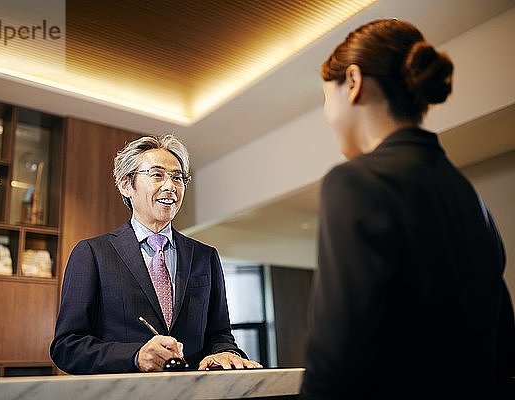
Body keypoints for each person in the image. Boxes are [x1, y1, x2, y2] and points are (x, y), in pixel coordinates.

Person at [300, 19, 515, 399]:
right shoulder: (469, 197)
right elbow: (503, 347)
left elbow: (337, 358)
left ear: (352, 82)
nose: (326, 115)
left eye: (324, 98)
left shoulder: (354, 181)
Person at [50, 134, 261, 374]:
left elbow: (220, 334)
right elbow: (67, 346)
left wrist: (225, 352)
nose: (170, 186)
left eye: (177, 178)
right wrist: (135, 357)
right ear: (126, 185)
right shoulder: (92, 253)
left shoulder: (205, 257)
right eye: (157, 175)